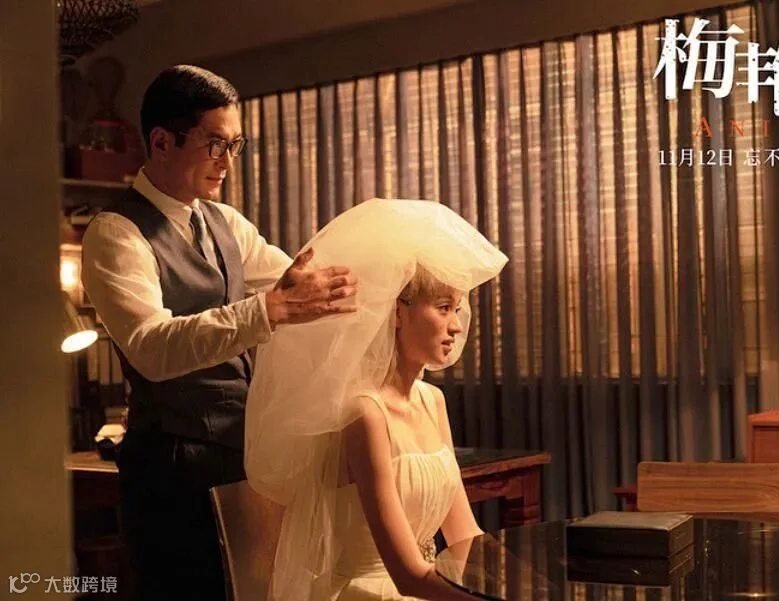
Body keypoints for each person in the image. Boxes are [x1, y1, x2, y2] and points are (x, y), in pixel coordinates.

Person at [80, 64, 358, 601]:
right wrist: (267, 311)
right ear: (162, 142)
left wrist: (380, 282)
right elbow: (151, 347)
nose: (227, 162)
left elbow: (296, 282)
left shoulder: (225, 222)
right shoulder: (115, 233)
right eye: (215, 144)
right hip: (171, 467)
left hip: (242, 456)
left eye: (235, 145)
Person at [245, 198, 508, 600]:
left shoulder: (433, 401)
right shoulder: (365, 414)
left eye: (457, 309)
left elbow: (463, 534)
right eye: (443, 308)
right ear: (397, 312)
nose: (456, 326)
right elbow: (406, 576)